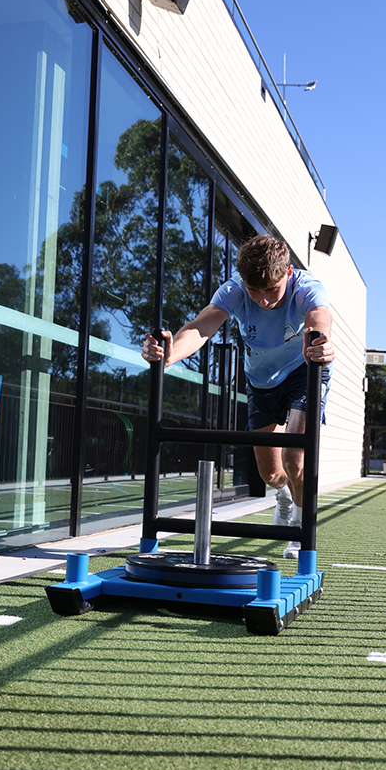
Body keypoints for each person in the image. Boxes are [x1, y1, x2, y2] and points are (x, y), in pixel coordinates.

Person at [142, 234, 334, 558]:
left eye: (271, 290)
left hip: (305, 370)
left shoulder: (306, 287)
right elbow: (203, 325)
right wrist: (169, 354)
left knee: (295, 458)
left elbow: (319, 317)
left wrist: (321, 341)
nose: (263, 301)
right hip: (261, 381)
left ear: (288, 273)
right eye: (253, 291)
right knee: (271, 473)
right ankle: (285, 497)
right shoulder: (234, 290)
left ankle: (299, 531)